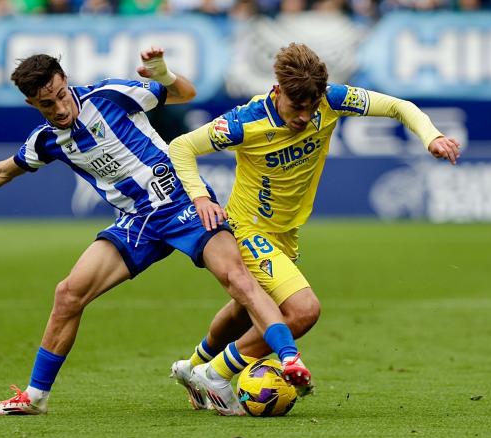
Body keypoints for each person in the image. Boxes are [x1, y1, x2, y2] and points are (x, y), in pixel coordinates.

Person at [0, 47, 311, 416]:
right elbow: (2, 171)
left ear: (65, 80)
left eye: (61, 94)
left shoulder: (112, 93)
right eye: (46, 104)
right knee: (68, 294)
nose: (60, 107)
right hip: (137, 223)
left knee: (237, 278)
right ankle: (34, 399)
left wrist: (163, 73)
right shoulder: (48, 140)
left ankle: (288, 358)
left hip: (183, 203)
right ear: (32, 103)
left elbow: (184, 94)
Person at [168, 42, 461, 416]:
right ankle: (216, 373)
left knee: (245, 311)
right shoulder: (244, 122)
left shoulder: (332, 100)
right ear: (277, 92)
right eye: (296, 107)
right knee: (303, 310)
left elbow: (398, 106)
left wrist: (431, 136)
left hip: (285, 233)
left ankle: (193, 366)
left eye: (311, 107)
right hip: (247, 229)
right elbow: (181, 147)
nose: (305, 117)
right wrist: (200, 198)